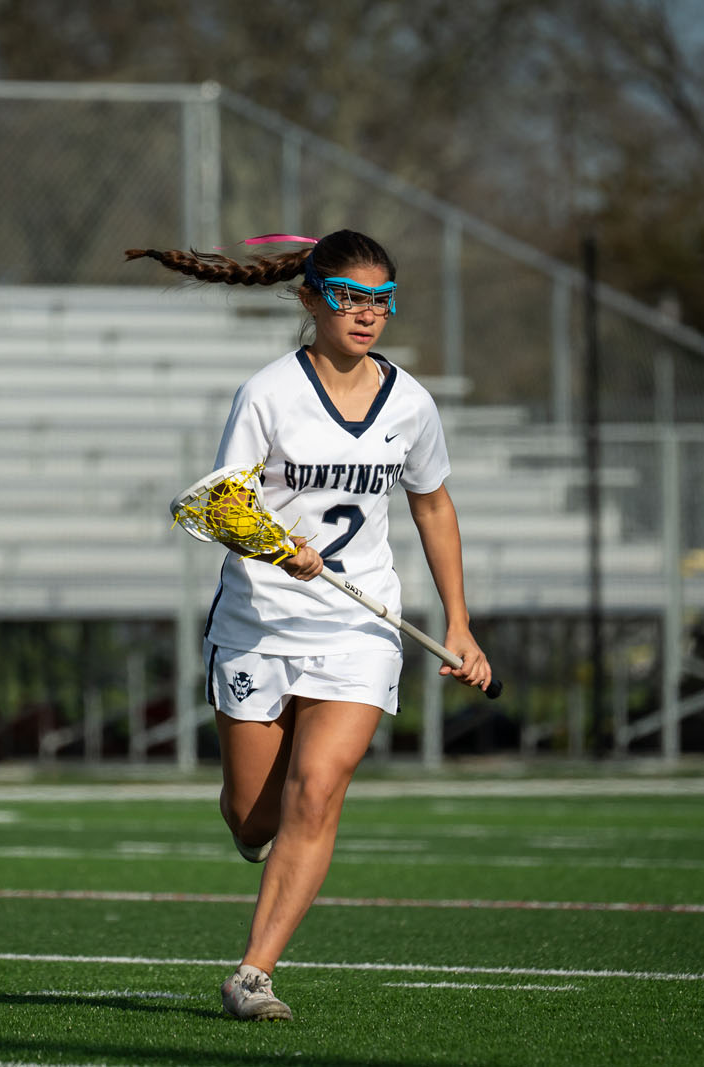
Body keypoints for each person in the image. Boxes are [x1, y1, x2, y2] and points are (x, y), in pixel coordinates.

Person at [127, 231, 493, 1020]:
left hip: (360, 628)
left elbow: (433, 506)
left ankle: (253, 973)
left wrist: (459, 622)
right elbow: (224, 504)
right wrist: (273, 544)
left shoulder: (412, 403)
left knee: (318, 790)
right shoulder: (268, 393)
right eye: (349, 298)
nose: (366, 314)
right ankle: (253, 826)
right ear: (310, 299)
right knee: (253, 813)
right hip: (258, 624)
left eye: (381, 301)